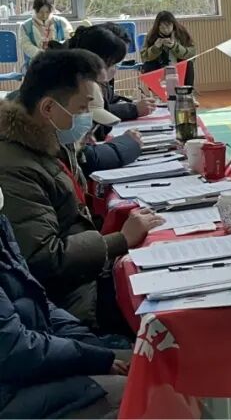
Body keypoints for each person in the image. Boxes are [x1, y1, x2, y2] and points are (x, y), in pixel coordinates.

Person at [0, 49, 163, 331]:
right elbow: (43, 259)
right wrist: (119, 240)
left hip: (84, 280)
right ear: (48, 108)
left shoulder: (45, 142)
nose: (87, 118)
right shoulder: (14, 167)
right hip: (69, 302)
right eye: (82, 108)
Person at [1, 189, 130, 419]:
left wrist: (92, 347)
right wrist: (93, 359)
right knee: (146, 390)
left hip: (34, 365)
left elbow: (37, 302)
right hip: (13, 393)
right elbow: (15, 349)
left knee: (156, 362)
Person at [65, 24, 155, 124]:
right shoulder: (77, 82)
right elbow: (93, 113)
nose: (115, 69)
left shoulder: (98, 78)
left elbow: (108, 99)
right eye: (114, 63)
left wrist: (132, 104)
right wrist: (133, 109)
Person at [140, 11, 195, 85]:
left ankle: (186, 90)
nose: (165, 30)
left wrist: (174, 46)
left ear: (173, 24)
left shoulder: (182, 33)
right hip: (159, 67)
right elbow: (144, 57)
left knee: (188, 63)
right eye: (162, 27)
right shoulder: (152, 35)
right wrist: (155, 48)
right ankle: (157, 89)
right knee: (148, 65)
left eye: (168, 26)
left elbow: (191, 53)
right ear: (157, 27)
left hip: (179, 66)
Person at [17, 0, 74, 65]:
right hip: (37, 61)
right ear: (35, 10)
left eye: (47, 12)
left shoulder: (61, 22)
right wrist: (42, 55)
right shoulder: (25, 26)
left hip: (59, 59)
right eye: (41, 12)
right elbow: (26, 45)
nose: (44, 15)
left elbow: (69, 40)